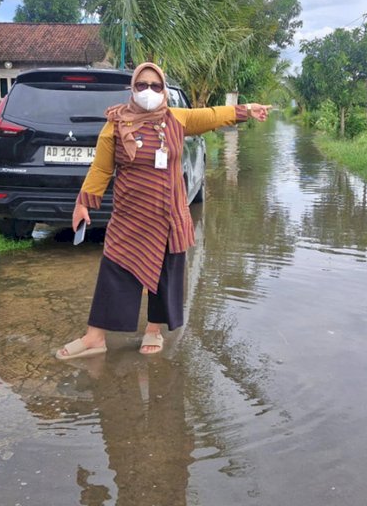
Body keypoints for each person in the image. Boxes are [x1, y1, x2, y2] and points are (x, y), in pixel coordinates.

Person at [57, 63, 269, 359]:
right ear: (132, 88)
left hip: (169, 214)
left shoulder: (176, 119)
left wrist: (245, 110)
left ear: (164, 90)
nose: (148, 91)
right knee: (115, 268)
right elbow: (101, 168)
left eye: (156, 86)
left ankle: (153, 329)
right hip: (130, 215)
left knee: (165, 272)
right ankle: (95, 337)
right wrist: (83, 203)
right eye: (141, 85)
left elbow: (210, 116)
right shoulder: (116, 124)